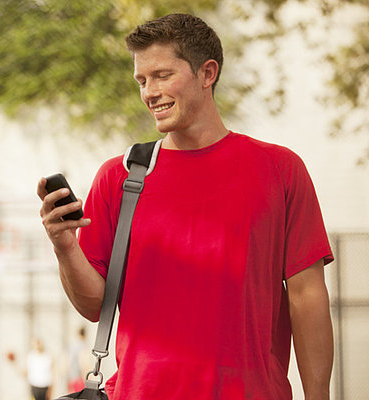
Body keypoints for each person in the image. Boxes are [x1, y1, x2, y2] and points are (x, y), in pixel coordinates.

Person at [37, 13, 334, 400]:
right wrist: (65, 248)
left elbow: (307, 297)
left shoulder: (280, 170)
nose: (149, 92)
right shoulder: (121, 178)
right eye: (141, 80)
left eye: (162, 75)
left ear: (207, 73)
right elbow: (94, 305)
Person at [66, 326, 90, 393]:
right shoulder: (83, 346)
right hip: (79, 378)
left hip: (71, 377)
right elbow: (83, 363)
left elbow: (67, 362)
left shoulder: (72, 345)